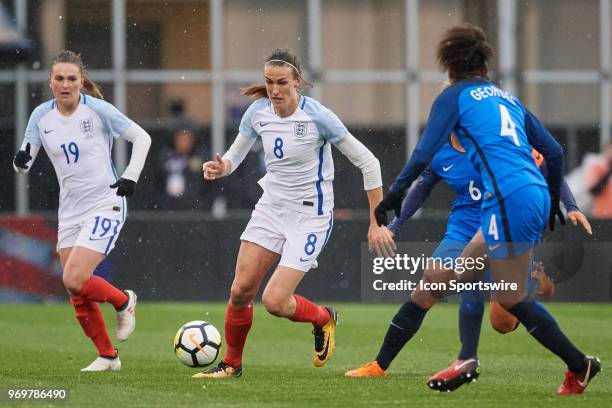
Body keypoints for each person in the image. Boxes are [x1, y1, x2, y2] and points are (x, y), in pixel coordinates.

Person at [368, 24, 600, 395]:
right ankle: (573, 365)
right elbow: (553, 152)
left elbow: (422, 153)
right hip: (528, 194)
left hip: (507, 197)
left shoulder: (455, 96)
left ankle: (477, 359)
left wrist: (392, 195)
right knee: (467, 276)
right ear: (485, 65)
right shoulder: (506, 99)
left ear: (448, 66)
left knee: (503, 300)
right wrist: (553, 199)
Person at [193, 48, 395, 378]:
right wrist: (221, 167)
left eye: (282, 82)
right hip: (271, 208)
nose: (274, 90)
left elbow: (369, 163)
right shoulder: (257, 112)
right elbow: (235, 156)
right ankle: (231, 364)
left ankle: (321, 318)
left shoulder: (319, 117)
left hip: (310, 217)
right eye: (269, 82)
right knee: (240, 290)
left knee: (274, 301)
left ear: (297, 82)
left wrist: (376, 222)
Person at [346, 132, 592, 392]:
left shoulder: (499, 140)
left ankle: (525, 288)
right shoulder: (441, 153)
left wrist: (570, 204)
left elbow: (546, 165)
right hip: (463, 231)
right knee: (426, 290)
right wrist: (395, 225)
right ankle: (379, 365)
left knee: (503, 323)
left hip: (505, 229)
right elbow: (420, 189)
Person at [13, 50, 151, 371]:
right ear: (51, 82)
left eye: (71, 79)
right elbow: (26, 157)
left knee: (74, 277)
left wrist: (130, 175)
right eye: (59, 78)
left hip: (106, 202)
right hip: (70, 210)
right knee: (75, 288)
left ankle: (123, 301)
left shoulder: (98, 110)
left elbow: (141, 138)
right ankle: (107, 356)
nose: (65, 84)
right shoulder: (40, 116)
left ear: (81, 81)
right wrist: (20, 163)